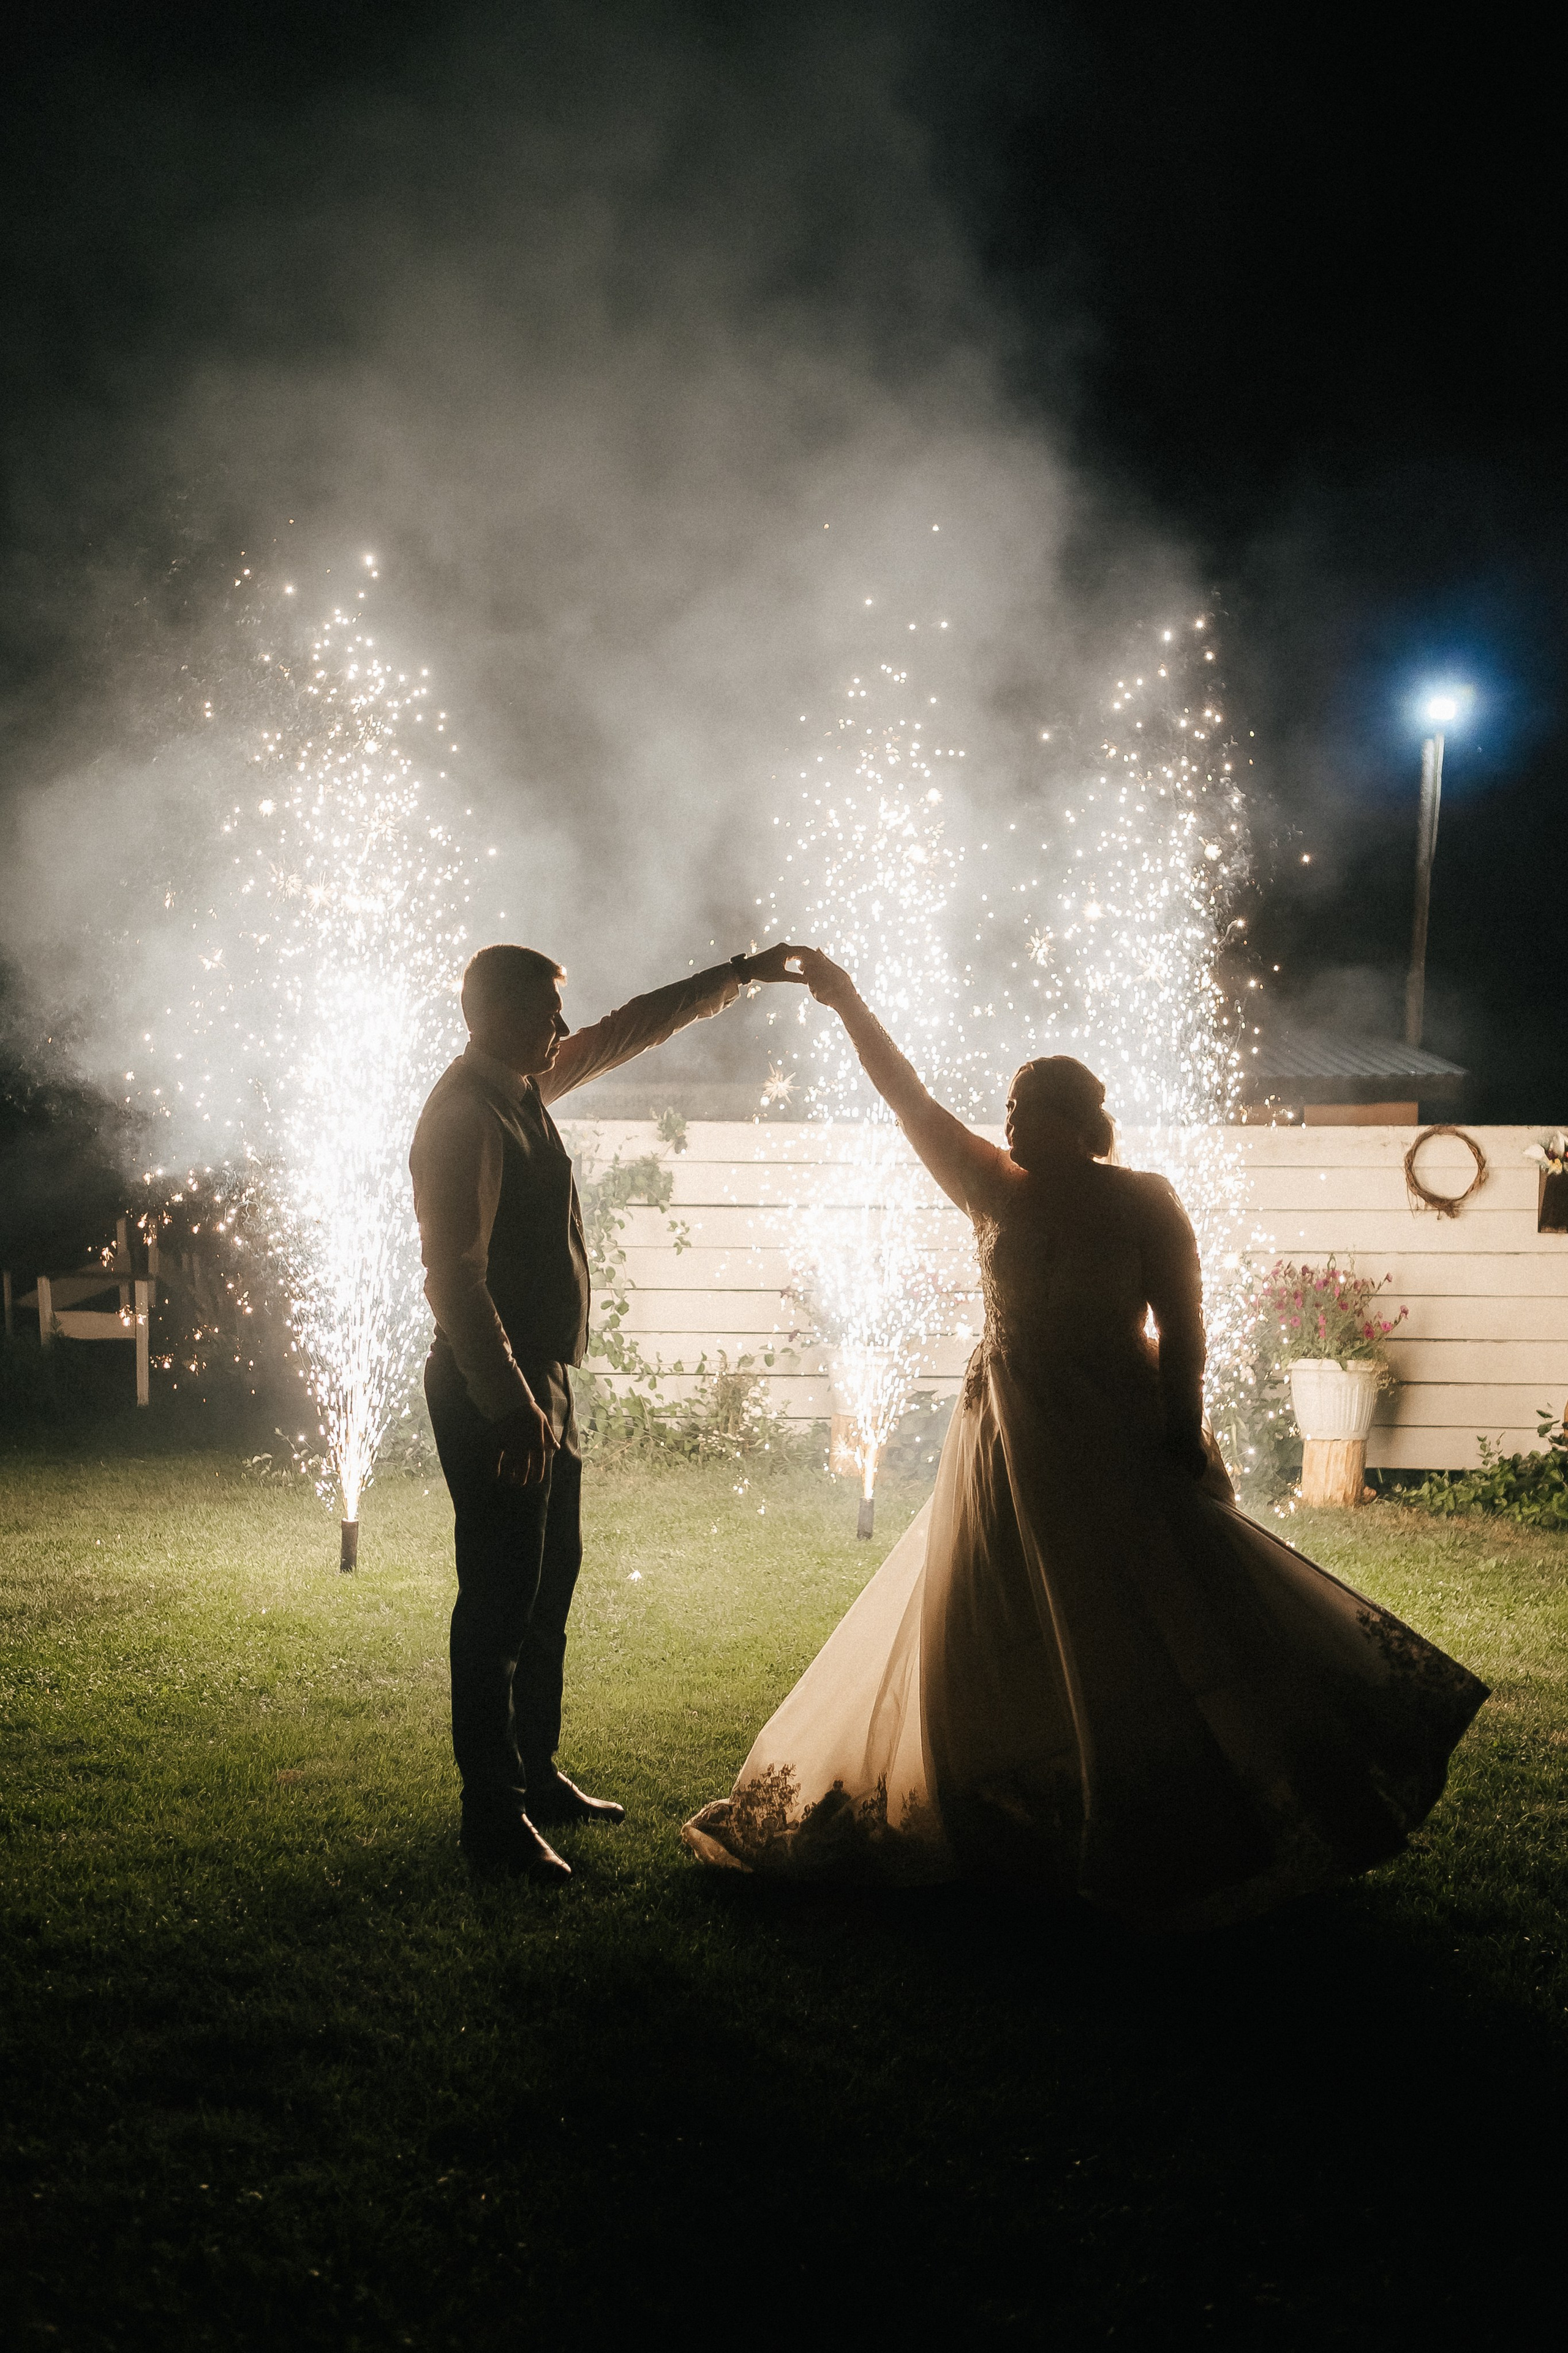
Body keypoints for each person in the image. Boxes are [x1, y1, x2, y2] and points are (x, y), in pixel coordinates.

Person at [683, 951, 1488, 1930]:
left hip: (1117, 1428)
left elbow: (1185, 1323)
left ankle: (1190, 1796)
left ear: (1081, 1118)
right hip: (1007, 1439)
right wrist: (847, 997)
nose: (1013, 1120)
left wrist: (1184, 1425)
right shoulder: (993, 1189)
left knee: (1146, 1611)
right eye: (1011, 1106)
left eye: (1033, 1104)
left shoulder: (1144, 1198)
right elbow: (908, 1098)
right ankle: (1005, 1812)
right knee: (992, 1610)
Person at [412, 937, 805, 1881]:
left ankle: (537, 1774)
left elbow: (627, 1028)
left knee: (549, 1586)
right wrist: (511, 1407)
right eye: (547, 1008)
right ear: (496, 1013)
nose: (561, 1025)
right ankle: (491, 1815)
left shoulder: (523, 1088)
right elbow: (455, 1280)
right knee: (500, 1600)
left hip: (544, 1378)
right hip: (492, 1383)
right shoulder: (466, 1113)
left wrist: (739, 975)